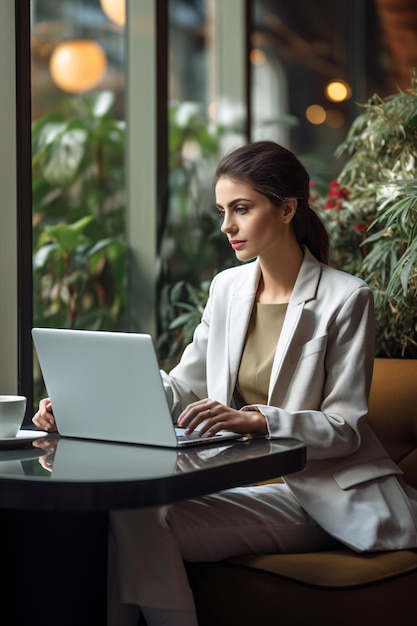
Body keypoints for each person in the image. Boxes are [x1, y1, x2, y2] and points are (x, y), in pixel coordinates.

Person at [33, 141, 417, 626]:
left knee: (140, 523)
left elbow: (345, 428)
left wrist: (256, 419)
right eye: (222, 211)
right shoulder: (226, 288)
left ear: (286, 209)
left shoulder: (346, 298)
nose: (226, 227)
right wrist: (81, 399)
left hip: (316, 495)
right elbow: (183, 388)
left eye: (241, 209)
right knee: (131, 512)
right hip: (237, 482)